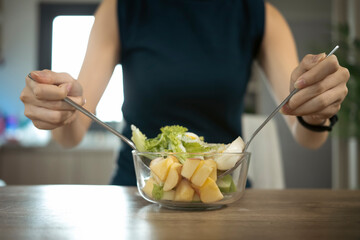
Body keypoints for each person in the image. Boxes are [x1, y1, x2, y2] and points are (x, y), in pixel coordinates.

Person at [20, 0, 349, 186]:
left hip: (221, 194)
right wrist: (60, 109)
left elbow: (306, 133)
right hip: (137, 195)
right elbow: (72, 133)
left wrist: (314, 107)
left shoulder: (260, 13)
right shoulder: (119, 9)